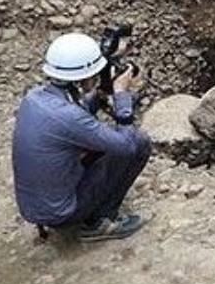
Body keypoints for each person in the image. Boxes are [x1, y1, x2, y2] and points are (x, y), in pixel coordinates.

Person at [11, 33, 153, 241]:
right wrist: (121, 94)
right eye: (95, 74)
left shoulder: (34, 98)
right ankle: (100, 222)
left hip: (37, 208)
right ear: (84, 77)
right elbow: (127, 146)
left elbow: (75, 116)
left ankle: (83, 210)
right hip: (61, 214)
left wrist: (101, 94)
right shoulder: (69, 117)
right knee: (139, 143)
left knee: (100, 145)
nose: (96, 78)